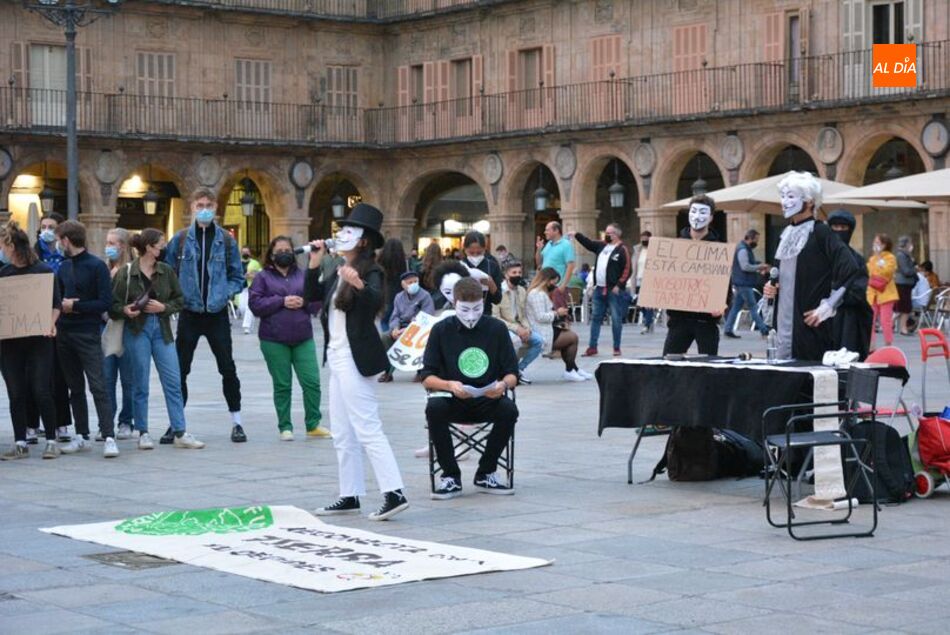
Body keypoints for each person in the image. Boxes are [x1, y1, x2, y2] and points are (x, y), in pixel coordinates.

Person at [304, 203, 409, 521]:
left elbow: (377, 303)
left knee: (367, 426)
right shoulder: (337, 270)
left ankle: (394, 492)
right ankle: (349, 495)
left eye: (349, 231)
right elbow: (311, 297)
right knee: (342, 431)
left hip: (355, 356)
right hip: (336, 356)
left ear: (363, 240)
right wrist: (314, 262)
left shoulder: (370, 270)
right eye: (341, 230)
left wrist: (359, 284)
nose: (341, 235)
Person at [422, 277, 519, 499]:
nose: (471, 315)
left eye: (477, 308)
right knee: (434, 408)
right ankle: (450, 475)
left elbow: (513, 373)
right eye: (465, 309)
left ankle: (486, 471)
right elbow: (427, 376)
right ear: (454, 303)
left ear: (483, 303)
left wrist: (503, 384)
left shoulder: (496, 328)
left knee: (509, 410)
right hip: (451, 397)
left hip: (487, 397)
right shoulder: (441, 330)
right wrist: (449, 385)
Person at [165, 189, 246, 443]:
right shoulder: (179, 240)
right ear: (191, 207)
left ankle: (237, 421)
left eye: (208, 205)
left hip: (216, 313)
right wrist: (176, 298)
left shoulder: (227, 240)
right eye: (200, 204)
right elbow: (167, 273)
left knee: (227, 368)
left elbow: (238, 276)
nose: (204, 209)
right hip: (189, 312)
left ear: (216, 207)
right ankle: (176, 424)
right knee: (180, 369)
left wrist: (224, 293)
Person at [113, 229, 205, 450]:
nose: (164, 249)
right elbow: (112, 304)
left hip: (161, 330)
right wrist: (126, 310)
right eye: (160, 245)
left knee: (173, 381)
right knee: (140, 383)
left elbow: (180, 299)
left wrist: (164, 307)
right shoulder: (126, 273)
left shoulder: (166, 271)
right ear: (149, 248)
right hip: (136, 329)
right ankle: (143, 432)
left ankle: (180, 431)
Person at [763, 172, 863, 362]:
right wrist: (771, 287)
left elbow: (850, 268)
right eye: (783, 196)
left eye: (791, 196)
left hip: (808, 324)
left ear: (809, 201)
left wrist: (828, 305)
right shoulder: (785, 234)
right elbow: (777, 275)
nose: (784, 202)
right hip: (782, 324)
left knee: (807, 380)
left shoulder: (821, 232)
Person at [249, 236, 329, 441]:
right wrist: (282, 301)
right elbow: (255, 305)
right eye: (280, 249)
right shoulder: (263, 277)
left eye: (288, 249)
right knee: (282, 384)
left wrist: (303, 302)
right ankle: (285, 426)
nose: (284, 252)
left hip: (303, 337)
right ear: (272, 253)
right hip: (273, 339)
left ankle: (313, 424)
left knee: (312, 381)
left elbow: (316, 303)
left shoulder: (303, 275)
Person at [53, 220, 118, 458]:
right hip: (64, 333)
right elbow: (57, 300)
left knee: (98, 385)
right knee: (75, 387)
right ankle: (81, 435)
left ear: (66, 240)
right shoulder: (63, 267)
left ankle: (109, 436)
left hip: (88, 332)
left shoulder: (97, 266)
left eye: (60, 239)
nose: (59, 244)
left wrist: (76, 306)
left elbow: (105, 303)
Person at [0, 222, 62, 460]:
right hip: (10, 343)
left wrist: (51, 323)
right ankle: (20, 442)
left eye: (3, 246)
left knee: (41, 390)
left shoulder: (43, 271)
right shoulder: (3, 274)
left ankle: (50, 441)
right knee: (15, 392)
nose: (2, 252)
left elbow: (55, 304)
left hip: (39, 340)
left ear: (12, 246)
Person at [660, 197, 725, 356]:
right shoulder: (675, 246)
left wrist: (723, 303)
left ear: (710, 217)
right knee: (669, 365)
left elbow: (725, 282)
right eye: (693, 211)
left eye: (703, 213)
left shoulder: (719, 249)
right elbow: (666, 277)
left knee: (708, 368)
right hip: (679, 319)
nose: (697, 217)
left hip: (706, 320)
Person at [573, 223, 631, 357]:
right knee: (596, 318)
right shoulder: (602, 246)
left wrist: (619, 285)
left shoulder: (622, 249)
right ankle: (592, 346)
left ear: (616, 235)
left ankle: (616, 347)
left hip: (613, 290)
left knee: (616, 318)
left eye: (609, 232)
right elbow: (588, 243)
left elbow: (627, 269)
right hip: (599, 288)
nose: (606, 234)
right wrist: (577, 235)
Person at [526, 267, 589, 382]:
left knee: (569, 337)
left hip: (548, 327)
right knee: (572, 338)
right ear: (546, 280)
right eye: (553, 282)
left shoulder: (541, 293)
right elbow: (540, 317)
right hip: (541, 330)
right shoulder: (537, 294)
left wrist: (558, 319)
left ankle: (573, 369)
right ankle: (570, 370)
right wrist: (557, 313)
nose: (554, 285)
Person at [102, 228, 136, 440]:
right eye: (107, 242)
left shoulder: (132, 270)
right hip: (106, 328)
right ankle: (106, 422)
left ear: (123, 246)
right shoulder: (103, 268)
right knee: (105, 378)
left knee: (128, 379)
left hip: (127, 328)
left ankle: (126, 421)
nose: (108, 247)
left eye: (112, 243)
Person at [826, 209, 872, 359]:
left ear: (850, 230)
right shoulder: (820, 256)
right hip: (821, 320)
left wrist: (838, 292)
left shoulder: (857, 260)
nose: (839, 231)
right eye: (835, 227)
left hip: (848, 321)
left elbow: (859, 290)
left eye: (843, 228)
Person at [379, 270, 435, 383]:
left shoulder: (425, 296)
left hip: (419, 329)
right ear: (403, 284)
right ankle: (387, 372)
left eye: (415, 281)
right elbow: (395, 316)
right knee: (384, 337)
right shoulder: (398, 297)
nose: (413, 284)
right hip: (401, 328)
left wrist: (408, 330)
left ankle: (421, 372)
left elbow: (427, 317)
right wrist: (395, 329)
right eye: (410, 282)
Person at [496, 261, 544, 384]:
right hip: (504, 327)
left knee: (539, 341)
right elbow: (496, 318)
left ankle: (518, 370)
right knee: (515, 341)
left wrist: (527, 328)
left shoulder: (522, 290)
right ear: (506, 275)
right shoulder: (498, 292)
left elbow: (523, 315)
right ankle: (508, 371)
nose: (517, 275)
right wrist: (516, 329)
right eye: (514, 273)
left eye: (519, 272)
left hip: (520, 325)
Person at [723, 229, 770, 339]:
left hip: (741, 282)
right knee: (753, 307)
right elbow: (745, 266)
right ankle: (764, 330)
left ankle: (728, 329)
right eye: (756, 239)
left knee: (736, 307)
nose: (757, 242)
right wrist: (760, 267)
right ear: (750, 238)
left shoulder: (743, 248)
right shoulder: (743, 250)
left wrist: (757, 267)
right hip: (744, 283)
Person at [865, 233, 898, 350]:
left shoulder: (890, 257)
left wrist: (879, 258)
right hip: (872, 294)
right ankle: (871, 345)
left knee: (885, 321)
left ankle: (888, 345)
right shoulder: (872, 258)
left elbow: (886, 272)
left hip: (886, 294)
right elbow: (870, 272)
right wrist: (876, 260)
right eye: (875, 243)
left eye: (878, 243)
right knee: (870, 320)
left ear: (884, 244)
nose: (875, 245)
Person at [460, 231, 502, 315]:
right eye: (471, 253)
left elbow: (498, 300)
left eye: (479, 253)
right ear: (465, 249)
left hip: (485, 314)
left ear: (484, 249)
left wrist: (491, 284)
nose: (475, 256)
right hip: (463, 313)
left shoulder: (492, 266)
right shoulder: (459, 266)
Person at [535, 221, 576, 293]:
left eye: (547, 230)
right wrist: (539, 249)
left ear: (556, 230)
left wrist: (563, 285)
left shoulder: (566, 244)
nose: (545, 232)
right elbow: (539, 263)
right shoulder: (548, 244)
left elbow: (571, 266)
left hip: (557, 286)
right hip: (545, 285)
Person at [629, 230, 657, 334]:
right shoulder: (637, 251)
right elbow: (634, 267)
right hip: (639, 279)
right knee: (640, 303)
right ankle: (648, 320)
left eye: (646, 238)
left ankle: (646, 324)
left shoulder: (654, 251)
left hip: (650, 280)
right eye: (643, 238)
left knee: (648, 304)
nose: (644, 240)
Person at [378, 238, 409, 329]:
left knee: (383, 322)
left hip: (384, 296)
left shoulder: (380, 262)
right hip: (399, 297)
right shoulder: (403, 263)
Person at [894, 235, 917, 336]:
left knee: (905, 308)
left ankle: (902, 327)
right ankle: (902, 328)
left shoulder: (906, 255)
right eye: (910, 243)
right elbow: (906, 271)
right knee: (904, 307)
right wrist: (914, 269)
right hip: (903, 284)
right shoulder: (901, 255)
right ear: (906, 244)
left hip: (906, 284)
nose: (911, 245)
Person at [240, 246, 262, 334]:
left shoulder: (255, 263)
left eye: (247, 252)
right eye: (243, 252)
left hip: (252, 288)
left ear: (250, 253)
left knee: (248, 307)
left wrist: (253, 276)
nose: (245, 254)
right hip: (241, 288)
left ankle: (246, 327)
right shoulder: (237, 263)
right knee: (242, 308)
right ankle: (250, 323)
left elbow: (261, 274)